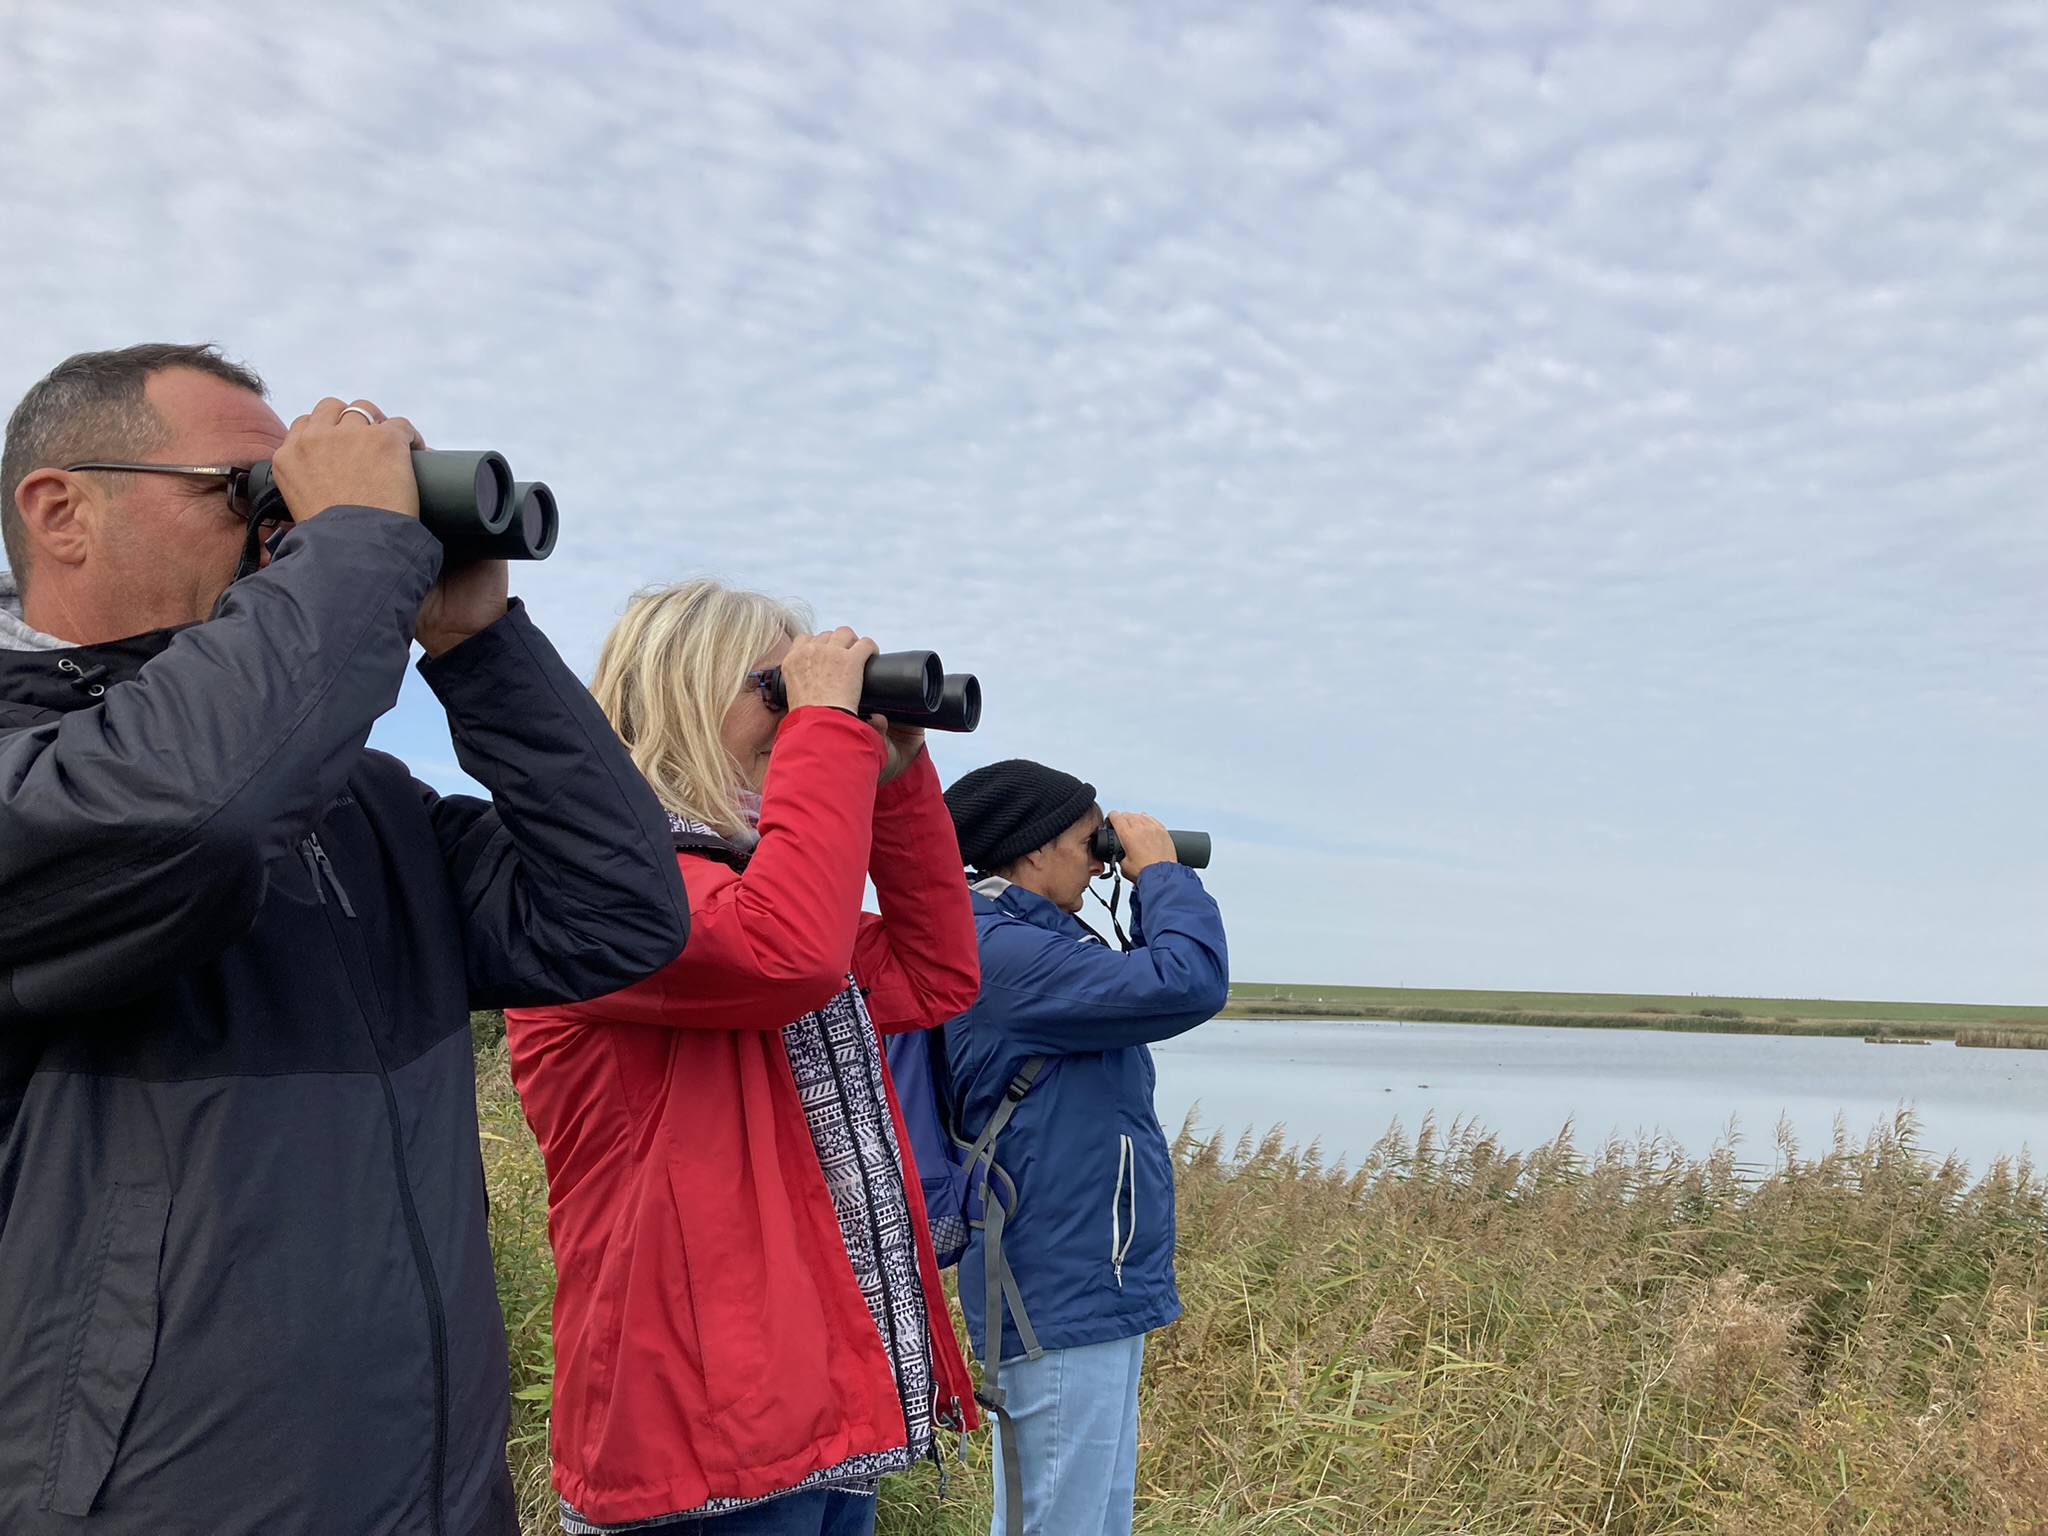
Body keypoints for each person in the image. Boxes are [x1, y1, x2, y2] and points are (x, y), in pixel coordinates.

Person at [0, 344, 691, 1536]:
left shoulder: (357, 799)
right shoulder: (37, 773)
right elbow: (190, 818)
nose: (285, 532)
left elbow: (618, 911)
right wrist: (359, 546)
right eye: (248, 491)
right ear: (60, 510)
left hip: (437, 1495)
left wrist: (480, 646)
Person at [503, 578, 982, 1536]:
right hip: (697, 1429)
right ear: (682, 692)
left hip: (822, 1404)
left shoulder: (742, 890)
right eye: (779, 690)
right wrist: (831, 740)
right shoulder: (599, 893)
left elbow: (935, 976)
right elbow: (788, 954)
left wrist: (894, 781)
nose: (811, 711)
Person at [940, 759, 1229, 1536]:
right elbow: (1186, 983)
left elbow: (1141, 983)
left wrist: (1143, 889)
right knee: (1058, 1522)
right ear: (1031, 852)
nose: (1104, 857)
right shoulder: (997, 953)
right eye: (1088, 838)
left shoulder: (1027, 944)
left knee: (1093, 1519)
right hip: (1055, 1284)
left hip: (1085, 1276)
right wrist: (1162, 874)